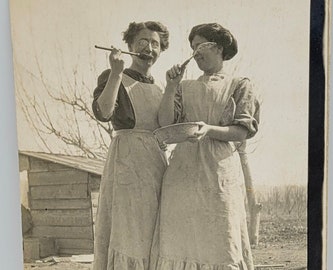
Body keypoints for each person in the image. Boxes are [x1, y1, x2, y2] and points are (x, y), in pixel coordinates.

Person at [150, 23, 260, 270]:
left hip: (218, 170)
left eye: (200, 45)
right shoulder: (184, 87)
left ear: (218, 47)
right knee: (181, 240)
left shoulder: (239, 84)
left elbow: (241, 131)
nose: (195, 52)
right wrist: (170, 86)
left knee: (221, 238)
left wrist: (209, 130)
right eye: (192, 47)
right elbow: (166, 122)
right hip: (182, 172)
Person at [92, 21, 169, 270]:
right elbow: (103, 112)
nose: (149, 48)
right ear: (130, 46)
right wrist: (115, 72)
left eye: (155, 43)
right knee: (130, 232)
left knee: (153, 230)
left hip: (157, 164)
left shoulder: (160, 88)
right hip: (127, 162)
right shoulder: (115, 77)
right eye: (143, 42)